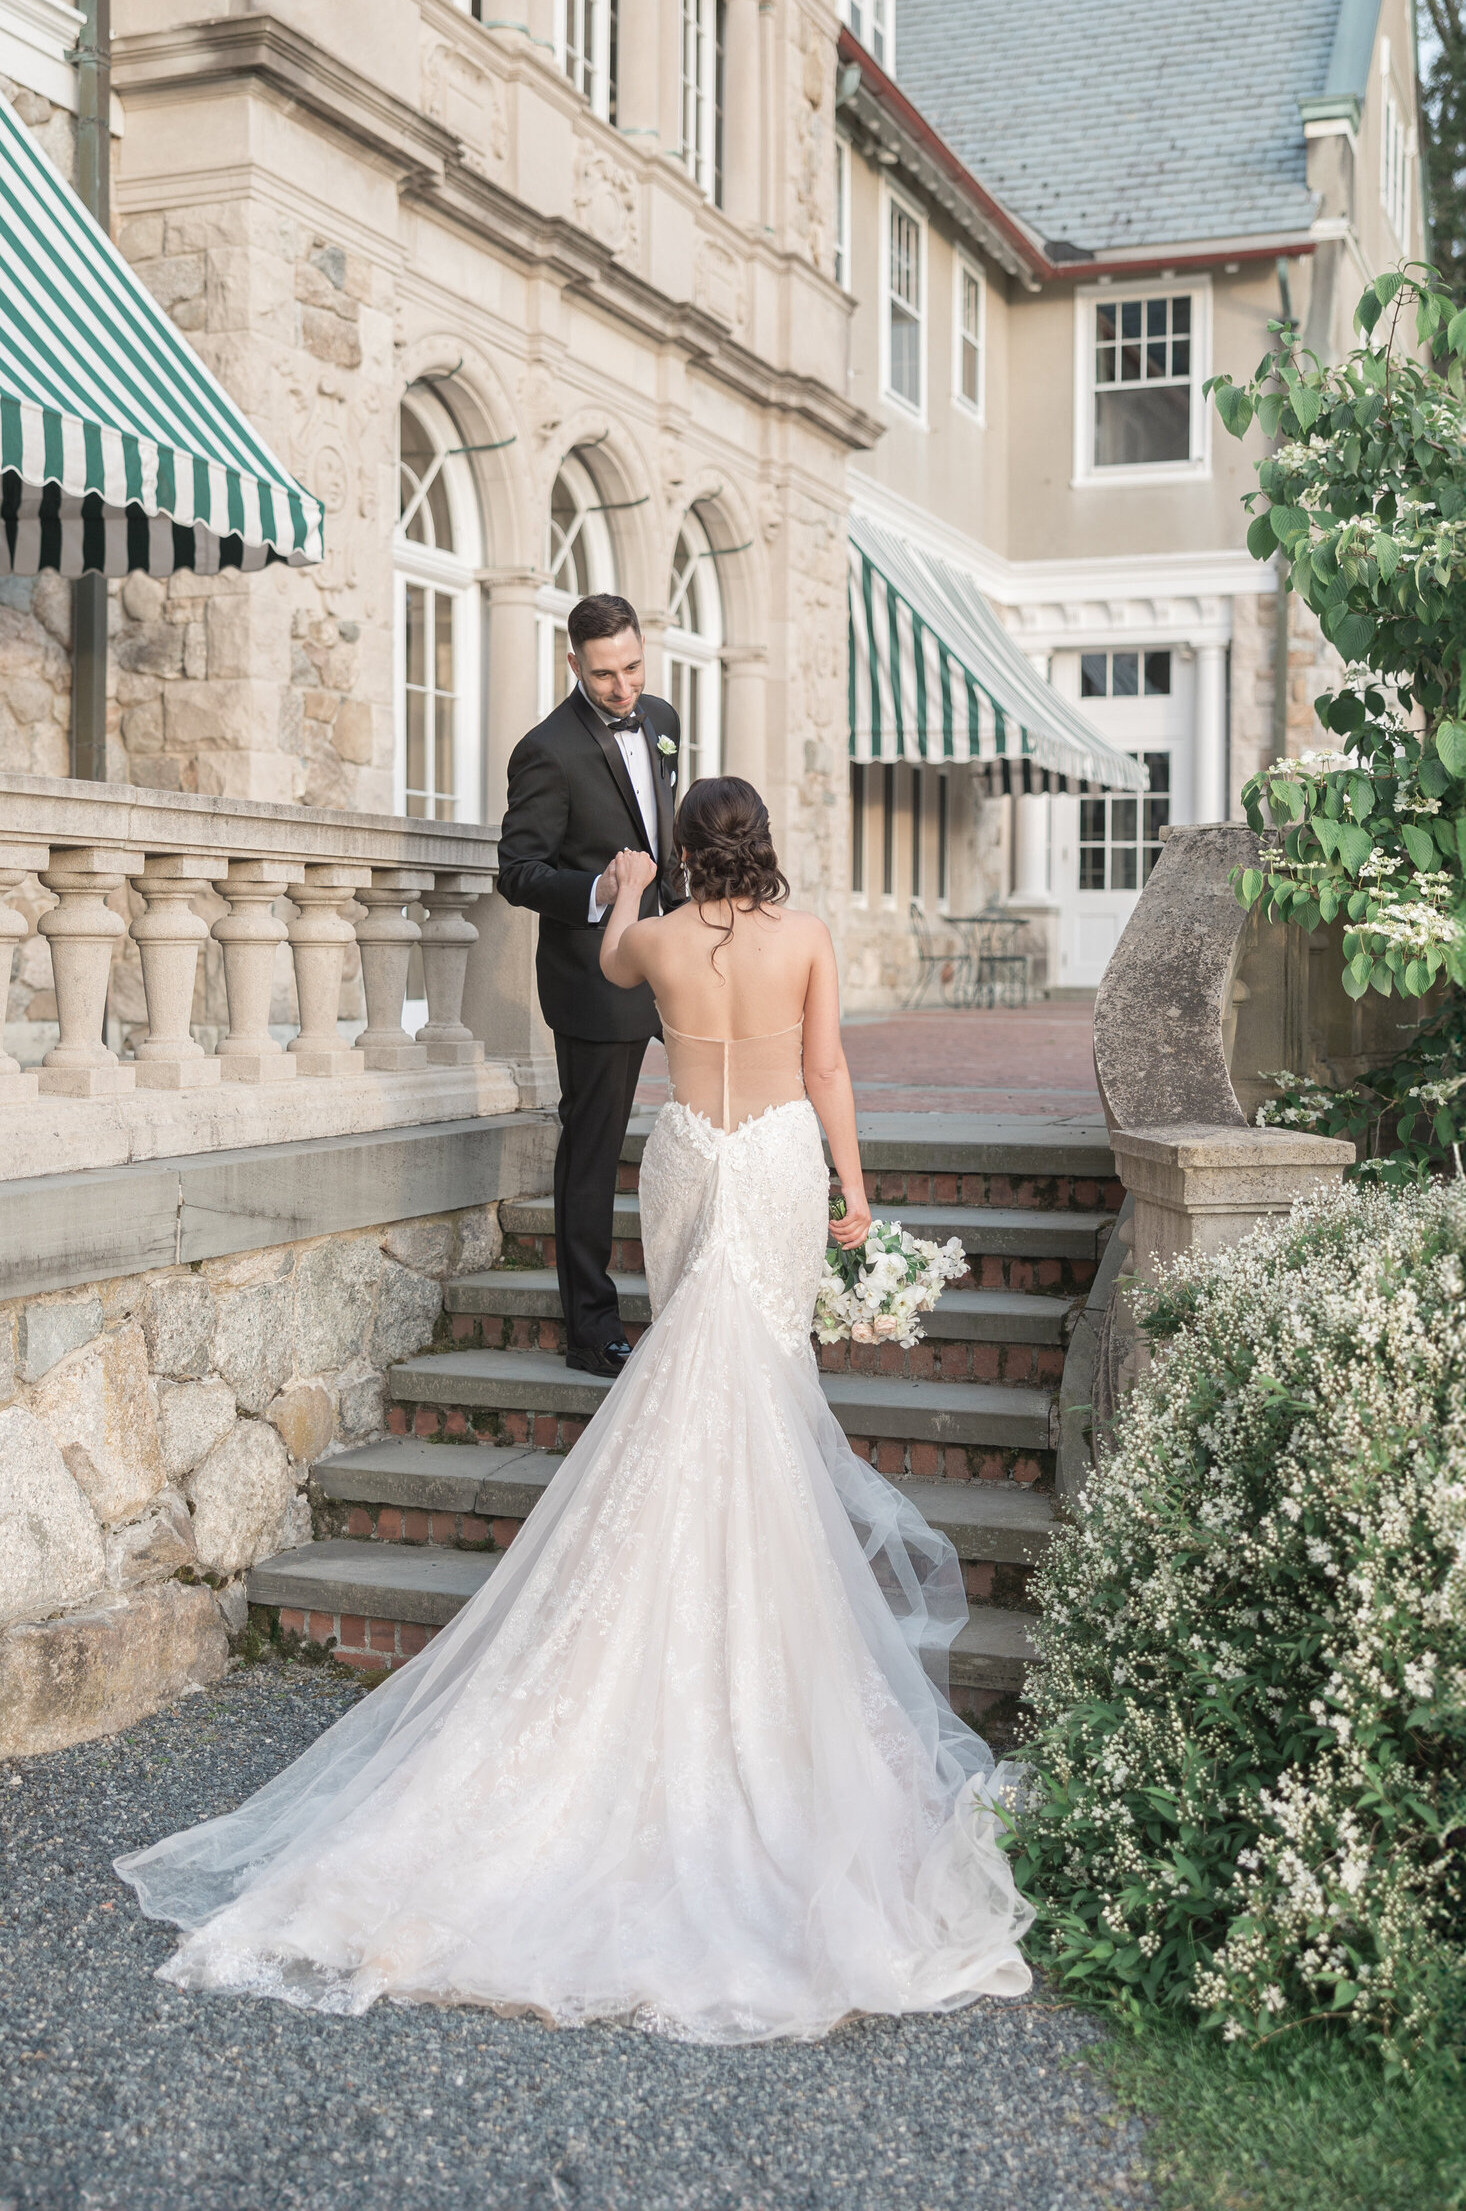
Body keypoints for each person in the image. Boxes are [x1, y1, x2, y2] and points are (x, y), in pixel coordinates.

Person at [115, 777, 1032, 2044]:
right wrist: (855, 1195)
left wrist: (635, 884)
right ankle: (748, 1612)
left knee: (684, 1353)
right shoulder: (807, 937)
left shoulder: (652, 937)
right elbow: (823, 1064)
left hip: (684, 1154)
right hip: (771, 1158)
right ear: (759, 847)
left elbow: (606, 957)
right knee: (757, 1369)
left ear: (682, 852)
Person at [495, 592, 683, 1378]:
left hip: (680, 962)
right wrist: (603, 893)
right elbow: (517, 873)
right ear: (573, 664)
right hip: (593, 979)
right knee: (594, 1153)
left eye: (633, 667)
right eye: (605, 674)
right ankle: (591, 1328)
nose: (624, 687)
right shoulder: (547, 749)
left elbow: (664, 835)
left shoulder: (663, 716)